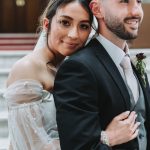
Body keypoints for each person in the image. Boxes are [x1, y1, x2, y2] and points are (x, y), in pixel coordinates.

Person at [53, 0, 150, 150]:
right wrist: (107, 138)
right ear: (97, 9)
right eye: (124, 1)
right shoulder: (78, 68)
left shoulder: (132, 62)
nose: (136, 11)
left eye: (138, 1)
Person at [3, 0, 94, 149]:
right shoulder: (27, 68)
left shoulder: (66, 69)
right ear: (47, 24)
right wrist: (105, 137)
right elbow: (32, 145)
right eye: (65, 22)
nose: (73, 35)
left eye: (83, 26)